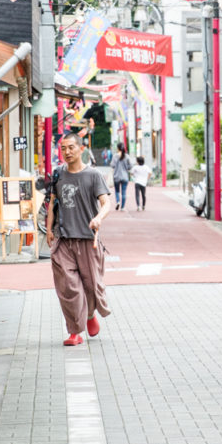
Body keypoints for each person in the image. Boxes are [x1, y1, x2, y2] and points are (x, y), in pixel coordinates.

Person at [46, 132, 112, 346]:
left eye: (71, 147)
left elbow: (106, 203)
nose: (67, 152)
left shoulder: (93, 175)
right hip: (63, 239)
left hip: (87, 239)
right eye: (63, 148)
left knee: (91, 286)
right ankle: (75, 331)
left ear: (80, 149)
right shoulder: (57, 175)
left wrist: (98, 218)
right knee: (68, 287)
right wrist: (49, 230)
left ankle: (90, 315)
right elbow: (52, 205)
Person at [110, 144, 132, 211]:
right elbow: (130, 166)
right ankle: (122, 207)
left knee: (117, 191)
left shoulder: (115, 156)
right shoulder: (127, 156)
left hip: (116, 176)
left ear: (118, 148)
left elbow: (112, 165)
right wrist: (126, 168)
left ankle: (118, 201)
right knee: (124, 192)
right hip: (125, 176)